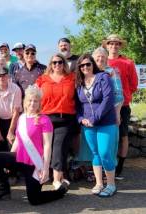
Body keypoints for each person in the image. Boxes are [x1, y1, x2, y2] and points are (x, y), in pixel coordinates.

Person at [0, 85, 68, 204]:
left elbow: (47, 145)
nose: (32, 103)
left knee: (34, 200)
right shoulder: (21, 118)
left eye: (36, 101)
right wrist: (9, 160)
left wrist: (45, 169)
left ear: (39, 103)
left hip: (34, 163)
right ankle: (4, 190)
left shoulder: (44, 120)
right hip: (19, 158)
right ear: (25, 102)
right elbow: (18, 140)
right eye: (30, 100)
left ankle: (60, 191)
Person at [76, 53, 118, 197]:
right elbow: (77, 106)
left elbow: (108, 99)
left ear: (93, 64)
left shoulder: (103, 77)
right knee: (95, 153)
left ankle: (111, 184)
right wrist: (81, 118)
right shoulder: (79, 83)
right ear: (79, 68)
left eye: (88, 64)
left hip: (106, 122)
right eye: (82, 65)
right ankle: (99, 183)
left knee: (105, 153)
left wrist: (94, 118)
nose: (85, 67)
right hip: (88, 125)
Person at [36, 53, 76, 190]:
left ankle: (56, 179)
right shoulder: (42, 79)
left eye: (60, 62)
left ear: (64, 63)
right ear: (50, 65)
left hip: (65, 118)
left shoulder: (72, 78)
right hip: (46, 118)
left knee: (59, 148)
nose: (57, 65)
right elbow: (34, 97)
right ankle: (44, 174)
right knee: (46, 148)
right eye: (54, 63)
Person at [102, 34, 138, 177]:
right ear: (107, 45)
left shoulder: (128, 63)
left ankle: (120, 167)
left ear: (120, 45)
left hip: (122, 105)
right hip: (104, 105)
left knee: (123, 135)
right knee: (108, 135)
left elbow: (134, 85)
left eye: (117, 43)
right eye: (111, 43)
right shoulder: (101, 60)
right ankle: (107, 164)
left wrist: (123, 95)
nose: (114, 46)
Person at [0, 67, 22, 152]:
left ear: (8, 76)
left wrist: (11, 131)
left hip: (13, 119)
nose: (1, 78)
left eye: (4, 75)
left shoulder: (16, 89)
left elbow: (16, 112)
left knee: (12, 143)